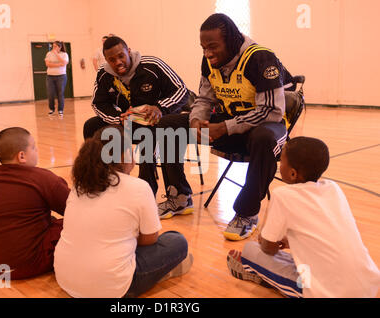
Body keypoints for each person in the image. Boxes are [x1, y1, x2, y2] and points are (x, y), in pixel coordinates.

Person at [156, 13, 294, 239]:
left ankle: (247, 214)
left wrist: (225, 127)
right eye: (203, 48)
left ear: (231, 40)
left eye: (212, 46)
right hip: (229, 125)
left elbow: (272, 111)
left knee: (264, 139)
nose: (207, 53)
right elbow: (204, 99)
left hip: (266, 127)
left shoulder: (260, 58)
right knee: (169, 124)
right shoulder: (209, 62)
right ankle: (179, 196)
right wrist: (195, 121)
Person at [227, 137, 380, 298]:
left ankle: (265, 277)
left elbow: (267, 248)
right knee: (302, 260)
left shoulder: (283, 195)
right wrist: (290, 240)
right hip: (368, 284)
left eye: (282, 161)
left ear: (293, 173)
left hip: (329, 293)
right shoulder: (333, 188)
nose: (280, 165)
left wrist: (267, 240)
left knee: (251, 250)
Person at [54, 126, 192, 298]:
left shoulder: (79, 187)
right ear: (122, 156)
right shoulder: (139, 187)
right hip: (112, 286)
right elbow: (151, 238)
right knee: (176, 240)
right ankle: (158, 275)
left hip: (65, 277)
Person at [0, 127, 70, 280]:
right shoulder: (44, 178)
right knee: (71, 224)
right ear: (21, 156)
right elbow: (76, 211)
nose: (36, 151)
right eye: (34, 147)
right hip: (28, 264)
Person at [83, 36, 190, 197]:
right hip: (129, 120)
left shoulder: (152, 65)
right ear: (106, 60)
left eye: (121, 56)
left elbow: (182, 90)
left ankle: (145, 190)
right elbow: (98, 104)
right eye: (112, 59)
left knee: (147, 134)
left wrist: (160, 107)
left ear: (129, 52)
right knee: (91, 126)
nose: (118, 62)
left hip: (157, 121)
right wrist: (119, 118)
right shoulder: (104, 74)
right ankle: (101, 180)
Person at [45, 40, 69, 117]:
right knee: (50, 94)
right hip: (50, 76)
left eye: (55, 46)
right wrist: (59, 64)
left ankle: (60, 110)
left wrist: (56, 55)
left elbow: (64, 63)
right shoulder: (49, 54)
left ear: (60, 47)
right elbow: (48, 64)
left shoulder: (64, 54)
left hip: (61, 76)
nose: (53, 48)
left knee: (60, 93)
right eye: (53, 46)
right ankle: (51, 109)